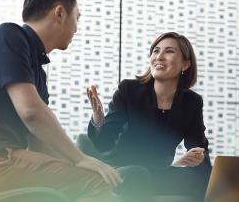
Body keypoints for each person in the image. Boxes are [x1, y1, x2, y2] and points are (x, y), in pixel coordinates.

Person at [0, 0, 121, 201]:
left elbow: (39, 141)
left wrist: (82, 163)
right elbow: (31, 112)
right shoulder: (9, 36)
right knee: (94, 182)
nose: (76, 28)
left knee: (90, 177)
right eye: (78, 17)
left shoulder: (36, 72)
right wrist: (80, 159)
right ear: (60, 13)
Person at [86, 32, 211, 202]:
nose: (159, 57)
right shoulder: (129, 90)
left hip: (158, 172)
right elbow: (104, 143)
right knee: (139, 175)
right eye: (156, 51)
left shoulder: (192, 102)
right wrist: (99, 119)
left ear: (185, 64)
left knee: (202, 179)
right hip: (121, 169)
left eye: (169, 52)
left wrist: (199, 159)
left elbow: (200, 149)